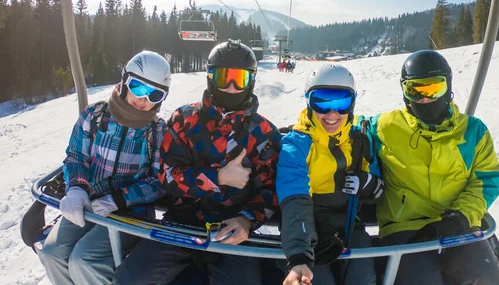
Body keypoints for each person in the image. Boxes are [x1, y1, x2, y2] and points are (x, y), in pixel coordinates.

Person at [114, 40, 281, 285]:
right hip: (180, 224)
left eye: (240, 79)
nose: (232, 87)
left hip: (230, 229)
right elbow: (168, 176)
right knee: (130, 279)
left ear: (251, 82)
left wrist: (247, 219)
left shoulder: (263, 133)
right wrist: (219, 178)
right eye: (225, 78)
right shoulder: (185, 120)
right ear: (211, 78)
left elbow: (270, 191)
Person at [356, 50, 499, 285]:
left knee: (484, 278)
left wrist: (460, 218)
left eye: (433, 89)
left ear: (448, 87)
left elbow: (485, 182)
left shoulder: (473, 131)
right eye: (415, 90)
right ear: (404, 92)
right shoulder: (386, 127)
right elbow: (342, 128)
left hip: (457, 227)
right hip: (404, 228)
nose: (424, 99)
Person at [38, 50, 171, 285]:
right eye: (138, 88)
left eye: (154, 95)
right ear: (124, 82)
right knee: (52, 253)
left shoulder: (158, 131)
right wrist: (77, 188)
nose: (143, 100)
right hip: (89, 203)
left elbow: (160, 181)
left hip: (131, 213)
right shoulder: (96, 116)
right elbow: (76, 156)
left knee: (85, 261)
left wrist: (118, 200)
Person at [277, 64, 384, 285]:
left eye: (342, 102)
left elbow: (380, 190)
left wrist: (368, 184)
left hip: (350, 227)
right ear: (308, 102)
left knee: (363, 278)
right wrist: (299, 255)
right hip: (310, 232)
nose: (332, 113)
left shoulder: (359, 140)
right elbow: (295, 199)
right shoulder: (296, 145)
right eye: (322, 101)